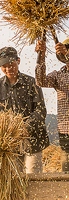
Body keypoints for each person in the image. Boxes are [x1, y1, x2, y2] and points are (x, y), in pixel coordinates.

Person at [0, 46, 49, 174]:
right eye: (4, 66)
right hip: (9, 145)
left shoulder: (32, 83)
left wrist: (26, 127)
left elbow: (40, 110)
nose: (8, 69)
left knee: (33, 177)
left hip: (32, 141)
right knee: (14, 181)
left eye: (11, 64)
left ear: (18, 61)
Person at [35, 39, 69, 172]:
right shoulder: (58, 75)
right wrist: (41, 55)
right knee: (66, 171)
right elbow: (40, 80)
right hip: (65, 129)